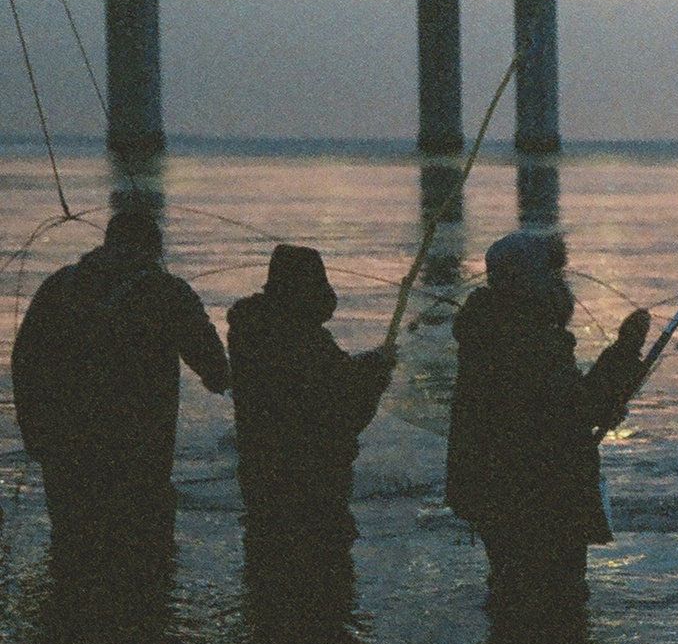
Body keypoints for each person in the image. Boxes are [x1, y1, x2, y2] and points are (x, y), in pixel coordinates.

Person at [11, 206, 229, 571]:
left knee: (72, 552)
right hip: (137, 453)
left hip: (63, 450)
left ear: (108, 241)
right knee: (139, 559)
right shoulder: (166, 290)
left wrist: (34, 431)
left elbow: (24, 361)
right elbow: (216, 371)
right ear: (154, 247)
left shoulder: (57, 286)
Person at [444, 231, 648, 612]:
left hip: (495, 490)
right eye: (552, 273)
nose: (561, 282)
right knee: (551, 598)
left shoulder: (488, 328)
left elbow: (558, 409)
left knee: (512, 587)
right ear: (528, 281)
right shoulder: (527, 339)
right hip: (539, 494)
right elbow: (576, 409)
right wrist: (625, 349)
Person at [226, 244, 396, 579]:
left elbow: (324, 376)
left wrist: (366, 365)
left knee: (267, 561)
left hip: (260, 469)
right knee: (322, 573)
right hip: (314, 480)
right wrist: (378, 370)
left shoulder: (250, 328)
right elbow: (342, 407)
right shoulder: (306, 339)